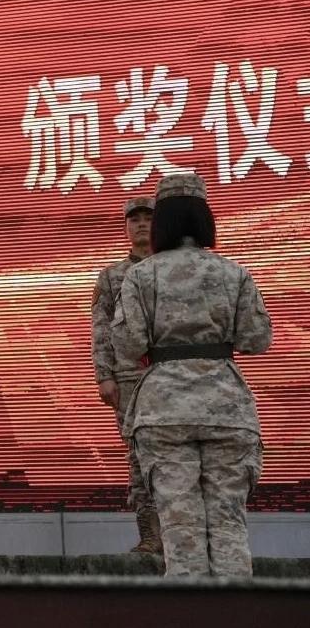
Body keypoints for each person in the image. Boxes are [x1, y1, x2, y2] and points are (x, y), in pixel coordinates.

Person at [112, 173, 272, 577]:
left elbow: (127, 344)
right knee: (230, 524)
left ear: (162, 222)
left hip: (163, 411)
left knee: (179, 530)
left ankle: (190, 613)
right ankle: (237, 613)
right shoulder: (234, 273)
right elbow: (257, 339)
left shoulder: (140, 275)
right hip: (227, 409)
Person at [91, 196, 162, 554]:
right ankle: (151, 535)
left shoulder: (172, 268)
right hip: (130, 378)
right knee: (138, 455)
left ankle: (182, 534)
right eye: (134, 219)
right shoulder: (111, 276)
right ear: (125, 227)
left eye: (148, 217)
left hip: (173, 374)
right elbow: (101, 329)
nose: (141, 224)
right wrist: (105, 375)